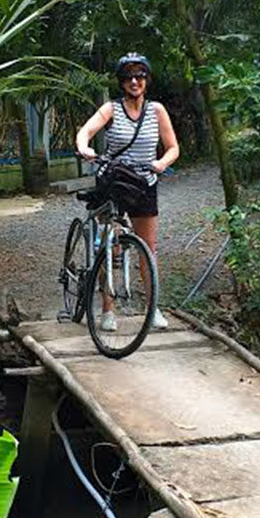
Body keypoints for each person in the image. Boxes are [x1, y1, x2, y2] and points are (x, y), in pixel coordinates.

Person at [75, 52, 180, 330]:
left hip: (144, 183)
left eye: (140, 76)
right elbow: (85, 131)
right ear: (122, 82)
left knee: (149, 248)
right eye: (129, 77)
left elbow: (173, 148)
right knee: (111, 246)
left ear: (147, 80)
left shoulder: (157, 110)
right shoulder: (111, 108)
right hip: (114, 181)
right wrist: (84, 147)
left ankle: (152, 308)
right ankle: (108, 311)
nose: (135, 81)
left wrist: (161, 163)